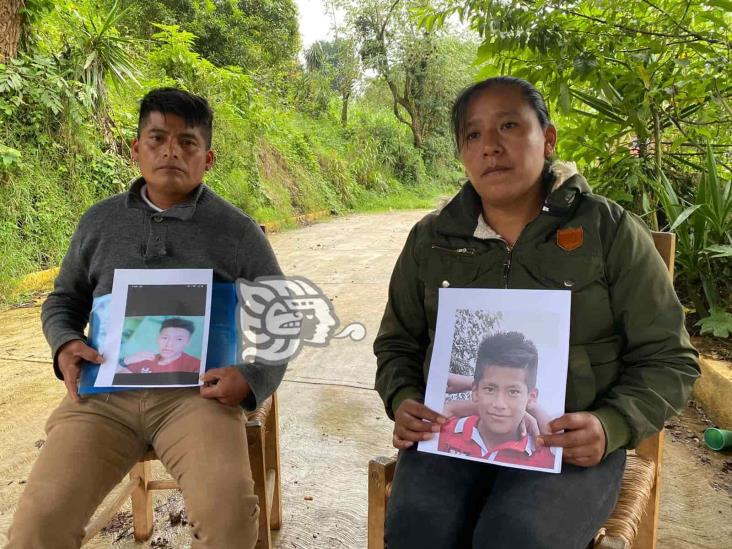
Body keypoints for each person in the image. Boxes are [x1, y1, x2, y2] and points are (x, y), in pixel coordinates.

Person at [373, 76, 699, 548]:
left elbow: (670, 359)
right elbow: (398, 344)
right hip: (451, 441)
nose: (490, 147)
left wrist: (611, 427)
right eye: (473, 135)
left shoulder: (608, 231)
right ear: (461, 152)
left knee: (515, 536)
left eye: (509, 126)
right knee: (418, 529)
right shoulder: (431, 240)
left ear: (547, 139)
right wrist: (403, 397)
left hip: (569, 450)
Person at [6, 88, 286, 549]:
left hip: (196, 399)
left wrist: (254, 377)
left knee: (231, 518)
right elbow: (63, 300)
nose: (171, 150)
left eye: (187, 142)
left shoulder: (235, 230)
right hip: (104, 399)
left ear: (208, 158)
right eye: (157, 138)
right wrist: (64, 344)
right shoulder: (98, 223)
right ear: (136, 150)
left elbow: (283, 313)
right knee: (38, 523)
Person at [438, 331, 555, 469]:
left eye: (513, 392)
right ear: (475, 391)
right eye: (490, 389)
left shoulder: (548, 458)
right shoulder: (441, 431)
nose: (499, 404)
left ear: (531, 397)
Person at [120, 317, 201, 374]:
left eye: (179, 339)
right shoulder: (144, 359)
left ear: (188, 342)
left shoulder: (195, 365)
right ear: (158, 338)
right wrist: (126, 361)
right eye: (165, 338)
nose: (169, 344)